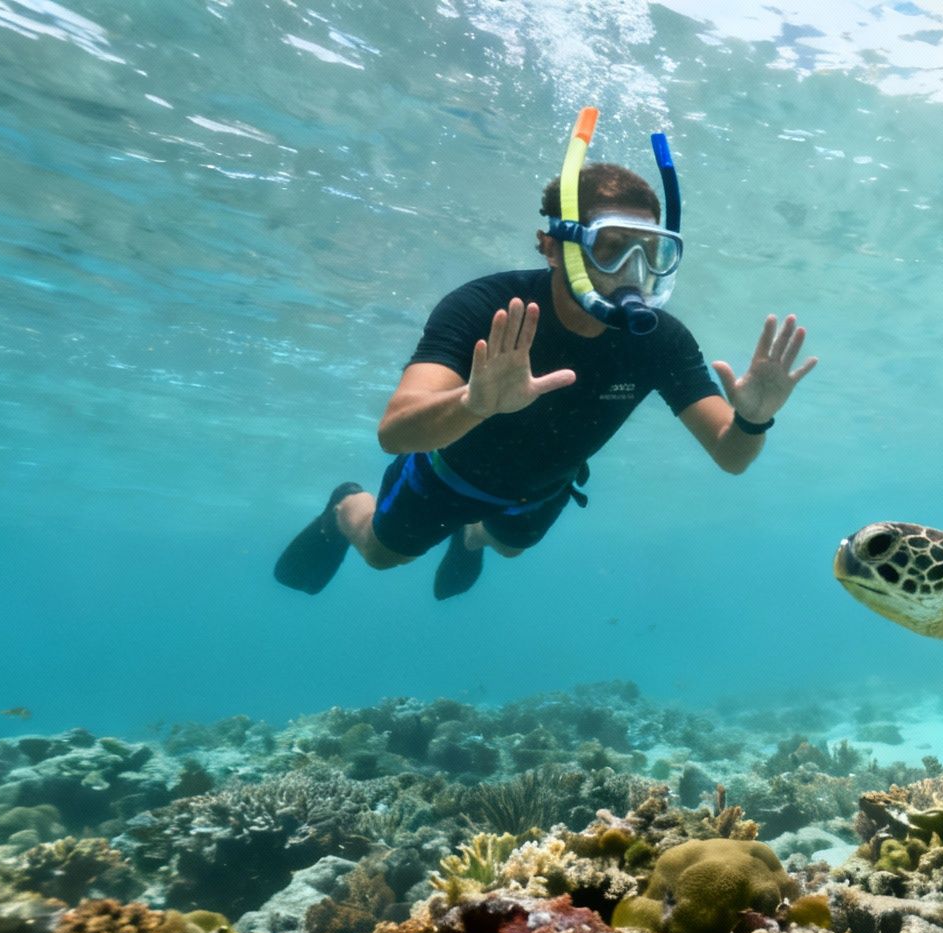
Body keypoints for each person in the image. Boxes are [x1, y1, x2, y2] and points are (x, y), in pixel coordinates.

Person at [274, 111, 814, 599]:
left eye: (648, 251)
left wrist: (752, 418)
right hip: (445, 474)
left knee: (509, 547)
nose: (630, 270)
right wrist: (474, 404)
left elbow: (731, 455)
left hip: (541, 489)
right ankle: (344, 506)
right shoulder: (485, 307)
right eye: (609, 247)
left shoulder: (660, 339)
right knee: (380, 556)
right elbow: (395, 432)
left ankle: (473, 536)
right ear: (551, 245)